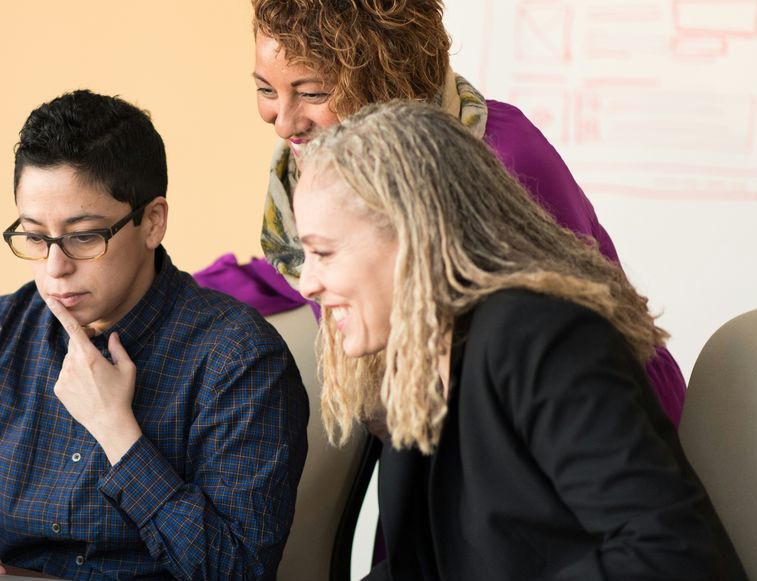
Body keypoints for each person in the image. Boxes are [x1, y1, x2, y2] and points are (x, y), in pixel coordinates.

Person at [293, 100, 752, 581]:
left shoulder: (542, 337)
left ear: (412, 235)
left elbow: (669, 556)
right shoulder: (421, 361)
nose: (306, 282)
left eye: (323, 252)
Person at [0, 89, 309, 581]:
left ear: (152, 221)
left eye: (84, 236)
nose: (54, 267)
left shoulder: (238, 359)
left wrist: (118, 434)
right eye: (35, 237)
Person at [249, 0, 686, 424]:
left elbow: (572, 340)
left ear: (382, 80)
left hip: (598, 424)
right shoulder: (311, 169)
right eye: (265, 90)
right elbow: (326, 266)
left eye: (311, 93)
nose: (283, 123)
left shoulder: (502, 156)